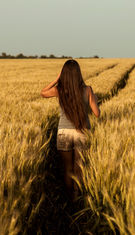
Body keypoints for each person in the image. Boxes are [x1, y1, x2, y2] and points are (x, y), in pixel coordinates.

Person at [40, 59, 100, 201]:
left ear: (64, 74)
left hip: (63, 133)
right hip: (82, 132)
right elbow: (97, 113)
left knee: (67, 169)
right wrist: (95, 100)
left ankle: (68, 200)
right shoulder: (87, 90)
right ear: (79, 74)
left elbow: (43, 92)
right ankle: (77, 197)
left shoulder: (59, 89)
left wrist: (56, 79)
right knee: (79, 168)